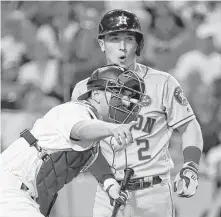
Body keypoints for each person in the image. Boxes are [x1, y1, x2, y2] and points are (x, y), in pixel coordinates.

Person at [71, 9, 204, 217]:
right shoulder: (84, 90)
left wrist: (190, 166)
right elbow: (84, 144)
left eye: (129, 39)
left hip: (154, 192)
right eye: (114, 38)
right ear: (102, 43)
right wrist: (107, 181)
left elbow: (189, 126)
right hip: (108, 192)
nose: (122, 47)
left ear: (138, 44)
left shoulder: (162, 83)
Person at [0, 64, 145, 217]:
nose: (126, 100)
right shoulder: (75, 110)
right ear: (95, 94)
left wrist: (110, 184)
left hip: (20, 194)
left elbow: (92, 156)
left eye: (128, 96)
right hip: (10, 188)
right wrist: (112, 129)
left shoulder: (90, 138)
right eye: (118, 93)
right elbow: (80, 129)